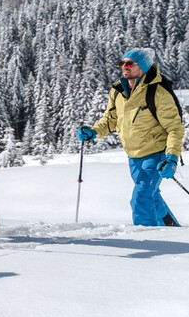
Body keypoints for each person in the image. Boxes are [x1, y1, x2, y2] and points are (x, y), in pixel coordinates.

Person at [77, 48, 183, 227]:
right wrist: (94, 132)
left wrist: (172, 158)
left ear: (142, 67)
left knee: (141, 198)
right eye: (122, 63)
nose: (124, 67)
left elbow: (174, 128)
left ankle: (152, 239)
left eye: (129, 64)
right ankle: (173, 230)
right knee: (151, 196)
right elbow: (111, 119)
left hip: (156, 154)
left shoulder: (157, 92)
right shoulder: (118, 90)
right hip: (134, 155)